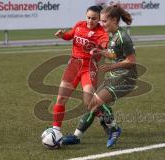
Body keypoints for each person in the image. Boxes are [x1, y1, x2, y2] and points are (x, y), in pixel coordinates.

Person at [63, 4, 138, 148]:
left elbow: (131, 61)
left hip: (126, 78)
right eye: (101, 21)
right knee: (92, 103)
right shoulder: (112, 34)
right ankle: (77, 136)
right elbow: (113, 54)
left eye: (104, 21)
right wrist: (100, 52)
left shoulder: (123, 37)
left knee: (95, 103)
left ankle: (114, 129)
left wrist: (111, 66)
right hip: (115, 76)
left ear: (115, 20)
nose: (102, 24)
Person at [52, 5, 111, 141]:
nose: (90, 21)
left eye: (94, 19)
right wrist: (62, 35)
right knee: (61, 98)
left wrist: (104, 46)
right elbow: (69, 35)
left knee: (89, 102)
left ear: (99, 19)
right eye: (89, 17)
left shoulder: (101, 32)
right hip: (73, 65)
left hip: (88, 67)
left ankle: (108, 122)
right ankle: (56, 131)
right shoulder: (79, 25)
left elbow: (104, 43)